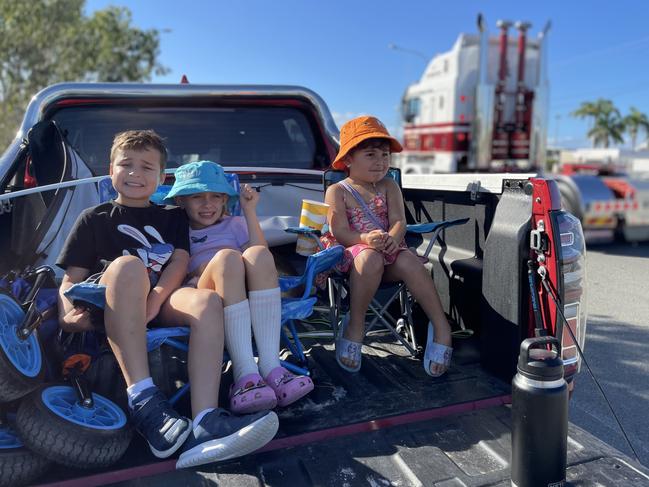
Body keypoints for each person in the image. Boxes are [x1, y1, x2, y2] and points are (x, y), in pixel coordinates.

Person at [56, 130, 278, 470]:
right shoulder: (93, 219)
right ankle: (144, 400)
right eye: (126, 164)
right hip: (117, 307)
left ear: (161, 177)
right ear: (110, 169)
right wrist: (66, 313)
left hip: (161, 300)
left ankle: (205, 419)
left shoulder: (171, 215)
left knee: (205, 302)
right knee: (130, 266)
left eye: (147, 167)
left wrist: (157, 299)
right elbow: (69, 279)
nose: (135, 173)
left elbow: (178, 260)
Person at [165, 160, 314, 414]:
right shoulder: (177, 230)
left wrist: (249, 211)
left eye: (215, 196)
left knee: (257, 255)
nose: (207, 204)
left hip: (243, 288)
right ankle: (245, 374)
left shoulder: (233, 224)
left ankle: (270, 367)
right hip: (205, 295)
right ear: (181, 201)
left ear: (225, 200)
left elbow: (261, 255)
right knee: (227, 258)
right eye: (197, 197)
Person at [321, 116, 453, 376]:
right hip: (356, 258)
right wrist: (365, 240)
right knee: (369, 257)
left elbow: (399, 221)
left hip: (390, 254)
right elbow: (340, 232)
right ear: (348, 159)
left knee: (411, 262)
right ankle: (356, 324)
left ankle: (442, 327)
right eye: (370, 154)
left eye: (385, 155)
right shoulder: (338, 190)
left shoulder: (389, 185)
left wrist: (393, 237)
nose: (380, 161)